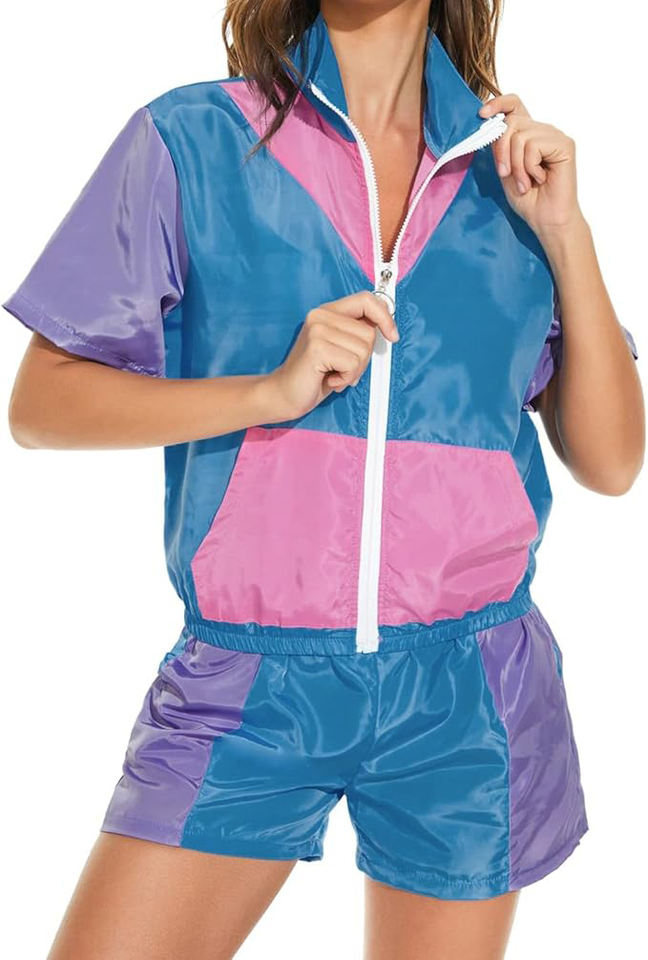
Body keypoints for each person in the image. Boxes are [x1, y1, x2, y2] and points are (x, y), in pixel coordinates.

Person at [3, 1, 644, 957]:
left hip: (471, 693)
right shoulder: (192, 139)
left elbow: (613, 460)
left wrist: (565, 231)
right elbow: (42, 404)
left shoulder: (504, 172)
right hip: (247, 685)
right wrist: (269, 391)